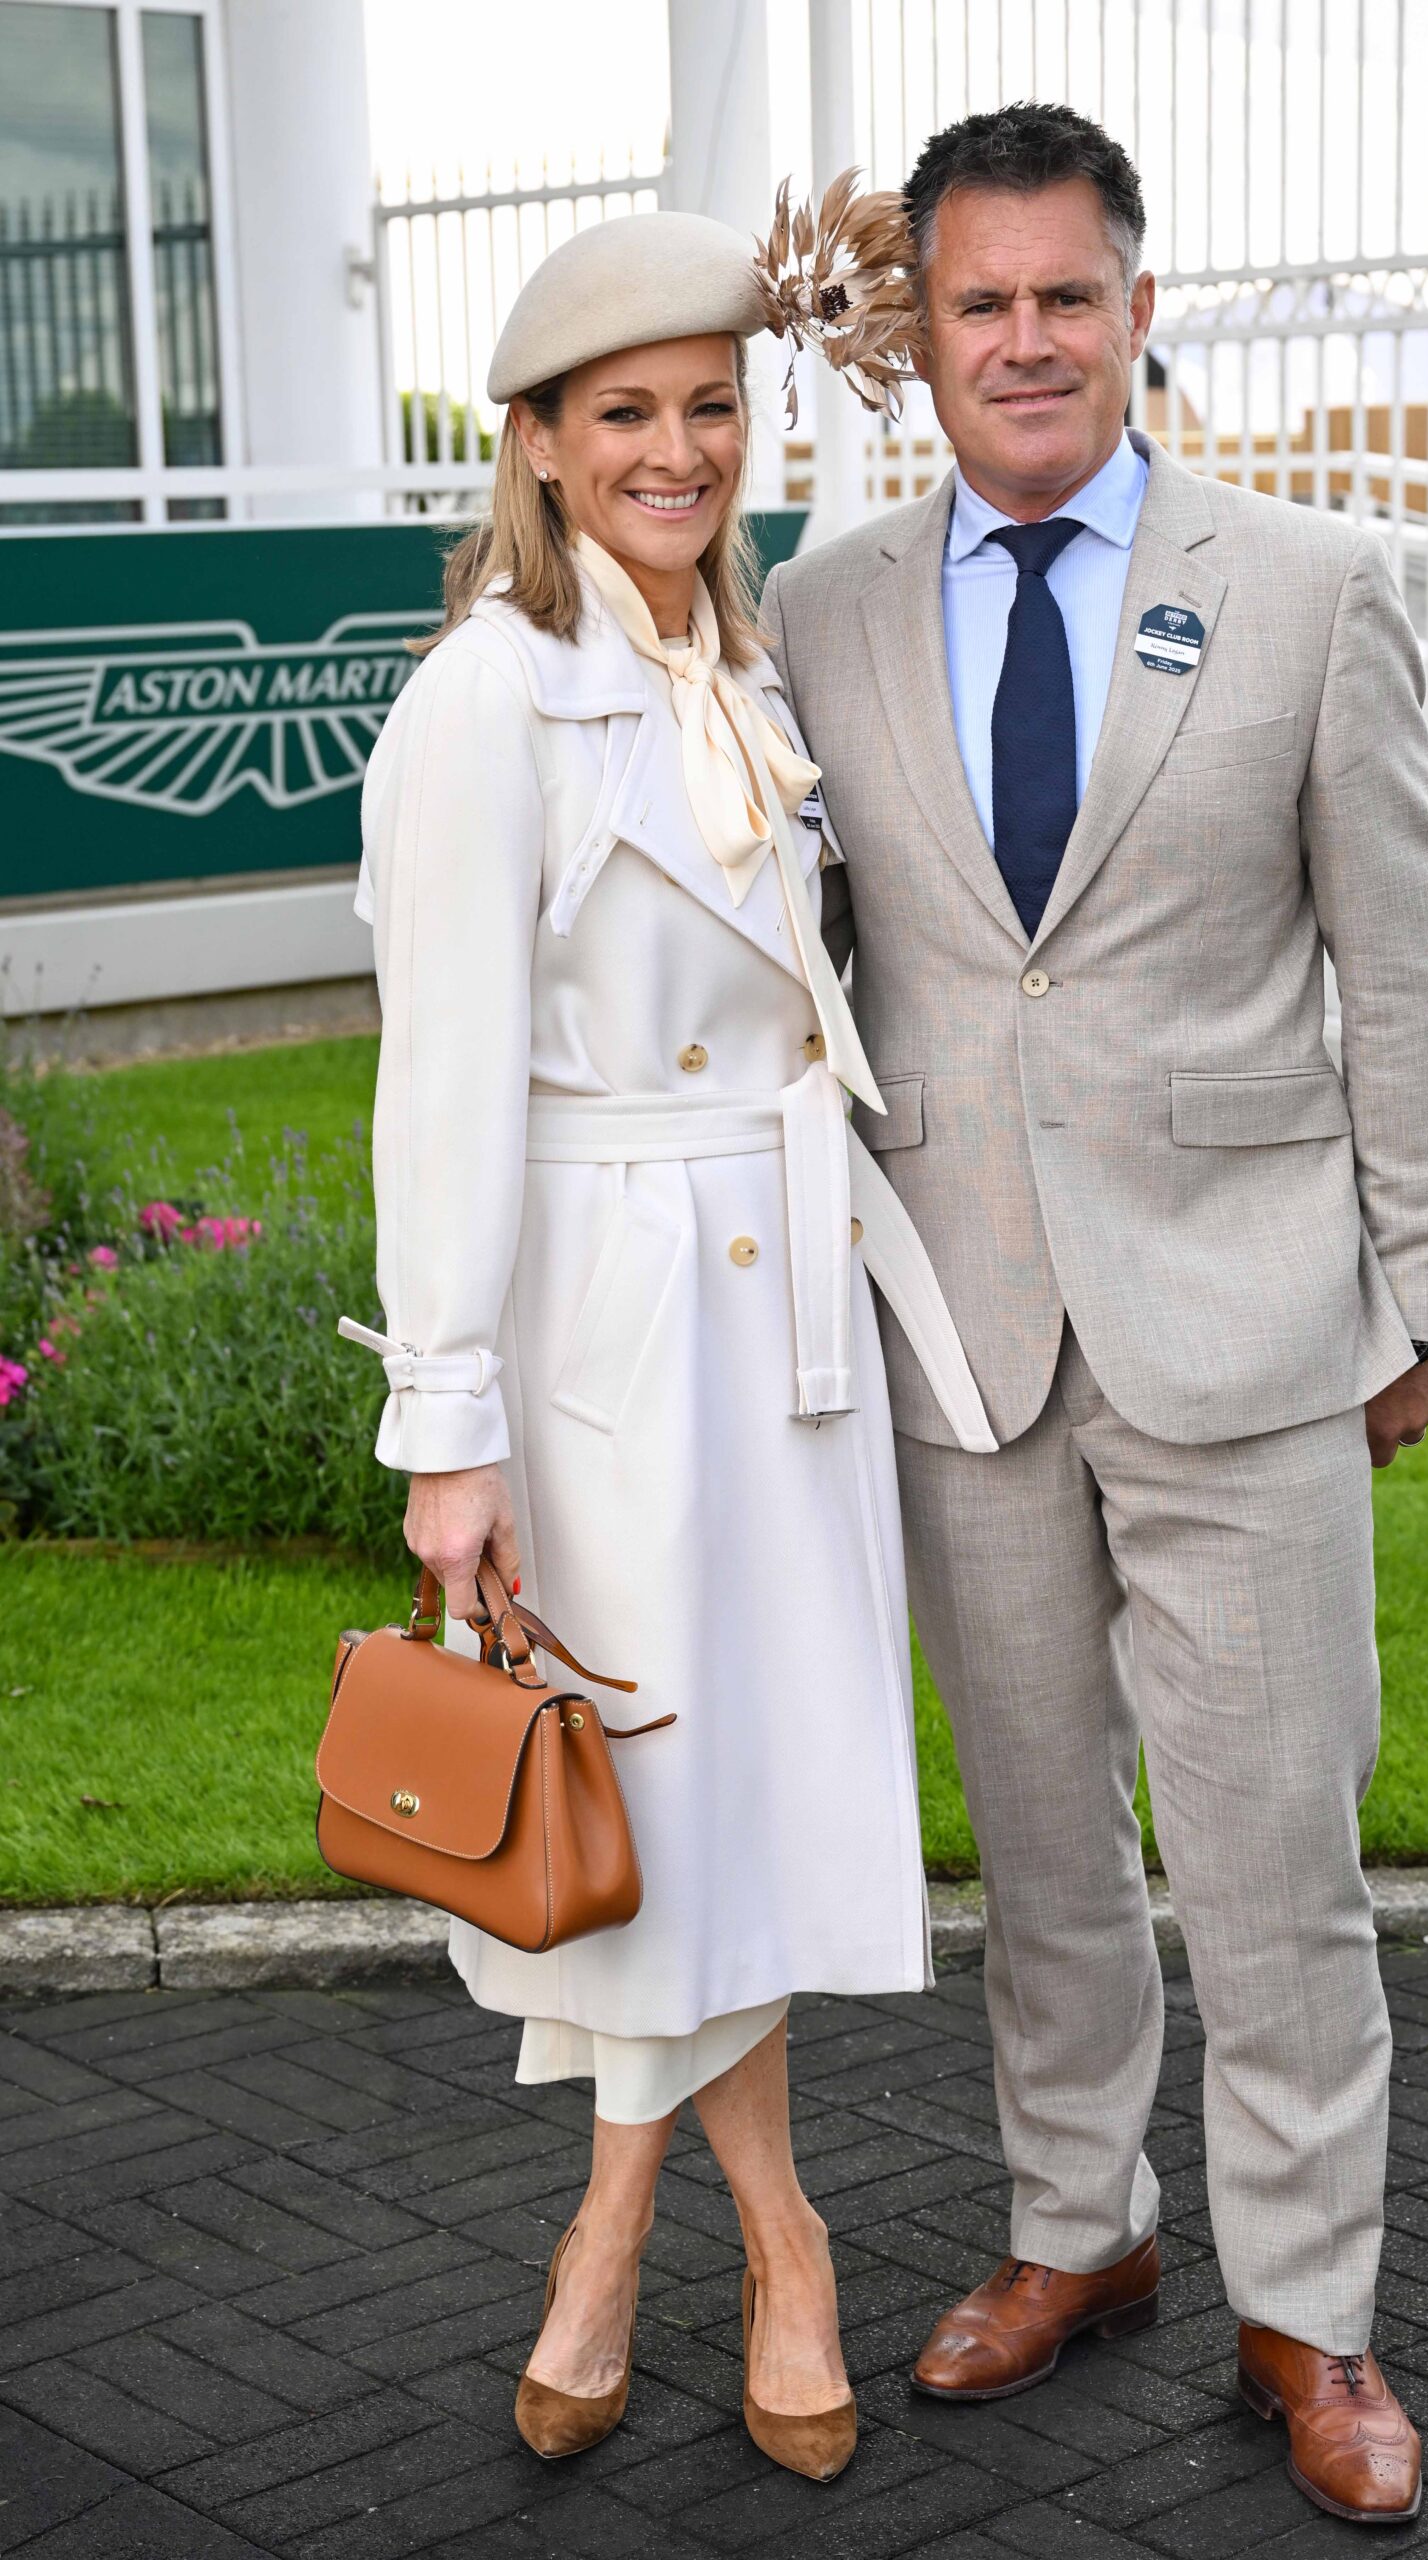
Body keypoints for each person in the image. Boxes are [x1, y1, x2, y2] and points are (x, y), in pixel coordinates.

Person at [763, 102, 1428, 2527]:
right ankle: (1080, 2228)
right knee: (1044, 1846)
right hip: (960, 1330)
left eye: (1069, 294)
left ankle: (1313, 2307)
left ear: (1135, 309)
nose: (1027, 338)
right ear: (923, 343)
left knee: (1274, 1853)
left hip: (1255, 1325)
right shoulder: (819, 609)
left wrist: (1421, 1289)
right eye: (981, 304)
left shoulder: (1302, 584)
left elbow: (1401, 962)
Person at [341, 208, 991, 2479]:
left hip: (778, 1300)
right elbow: (436, 1084)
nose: (677, 448)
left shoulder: (740, 657)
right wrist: (451, 1424)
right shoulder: (485, 701)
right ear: (529, 443)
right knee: (654, 1812)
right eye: (622, 413)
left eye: (708, 406)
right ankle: (764, 2235)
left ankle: (626, 2226)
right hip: (612, 1325)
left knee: (730, 1809)